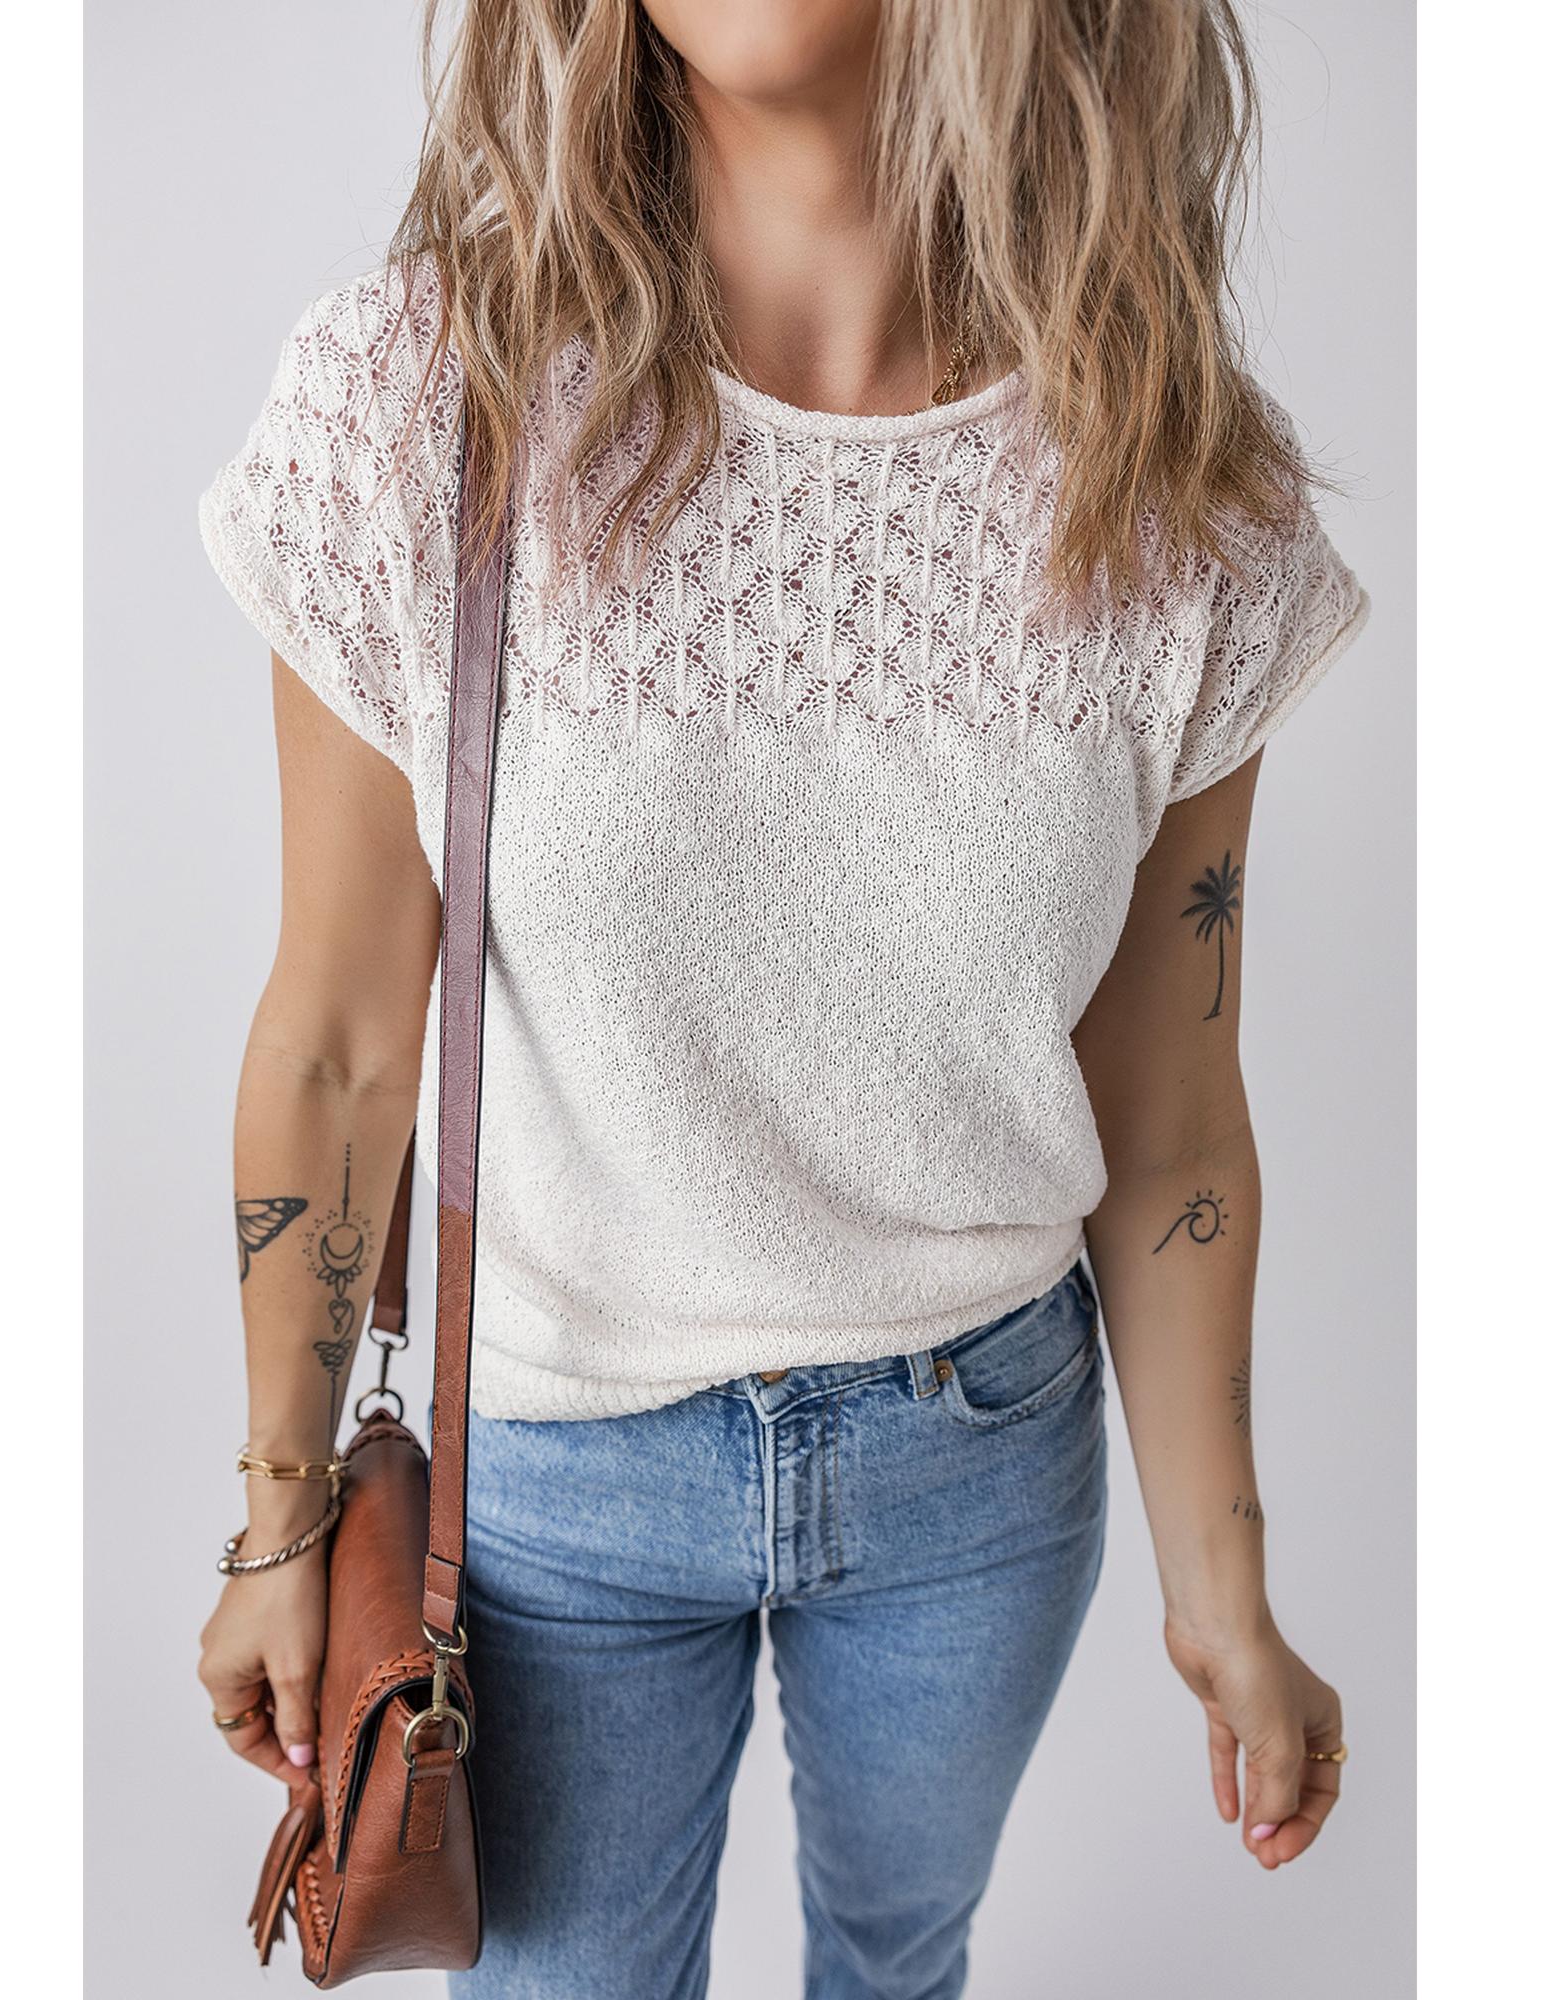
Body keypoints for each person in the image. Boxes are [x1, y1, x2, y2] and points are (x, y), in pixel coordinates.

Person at [196, 3, 1368, 1994]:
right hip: (552, 1476)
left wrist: (1224, 1592)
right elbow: (339, 1038)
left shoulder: (1176, 484)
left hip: (977, 1458)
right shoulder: (421, 401)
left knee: (899, 1961)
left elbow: (1169, 1117)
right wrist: (282, 1516)